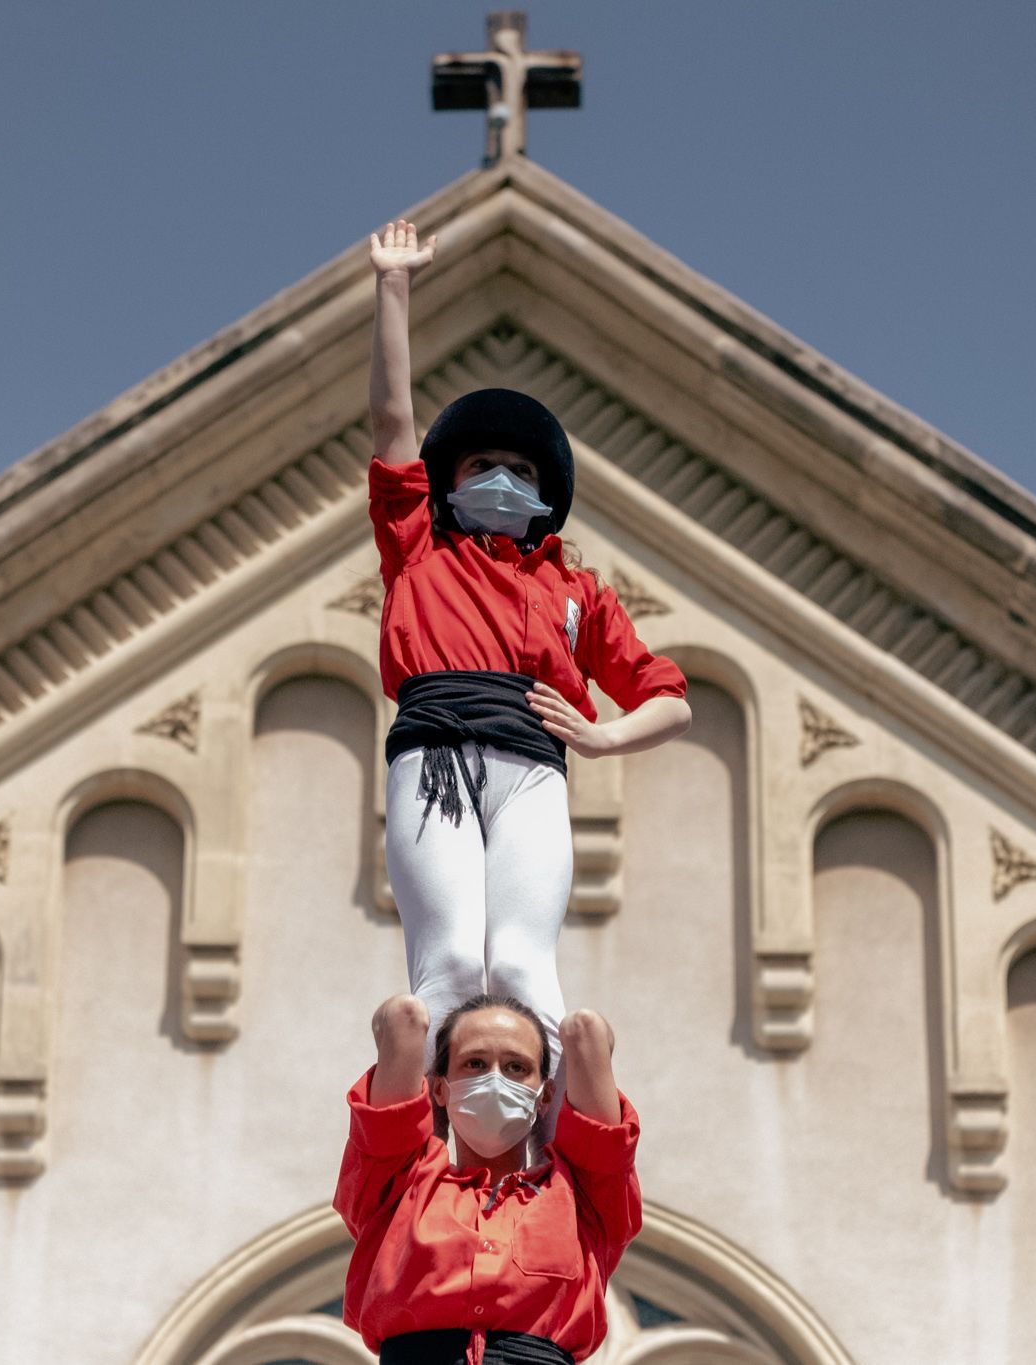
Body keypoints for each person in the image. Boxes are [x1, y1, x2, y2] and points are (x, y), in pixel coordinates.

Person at [366, 218, 692, 1071]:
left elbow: (669, 694)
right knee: (447, 962)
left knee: (517, 961)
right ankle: (433, 1144)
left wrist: (602, 734)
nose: (500, 478)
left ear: (544, 493)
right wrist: (393, 288)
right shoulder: (419, 548)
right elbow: (391, 419)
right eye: (480, 466)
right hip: (435, 749)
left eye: (519, 467)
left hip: (534, 766)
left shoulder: (576, 590)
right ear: (450, 484)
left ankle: (553, 1135)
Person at [335, 991, 640, 1365]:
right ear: (440, 1088)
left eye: (516, 1067)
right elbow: (403, 1018)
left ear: (545, 1096)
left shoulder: (579, 1195)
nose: (495, 1080)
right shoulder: (402, 1184)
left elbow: (586, 1031)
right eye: (475, 1063)